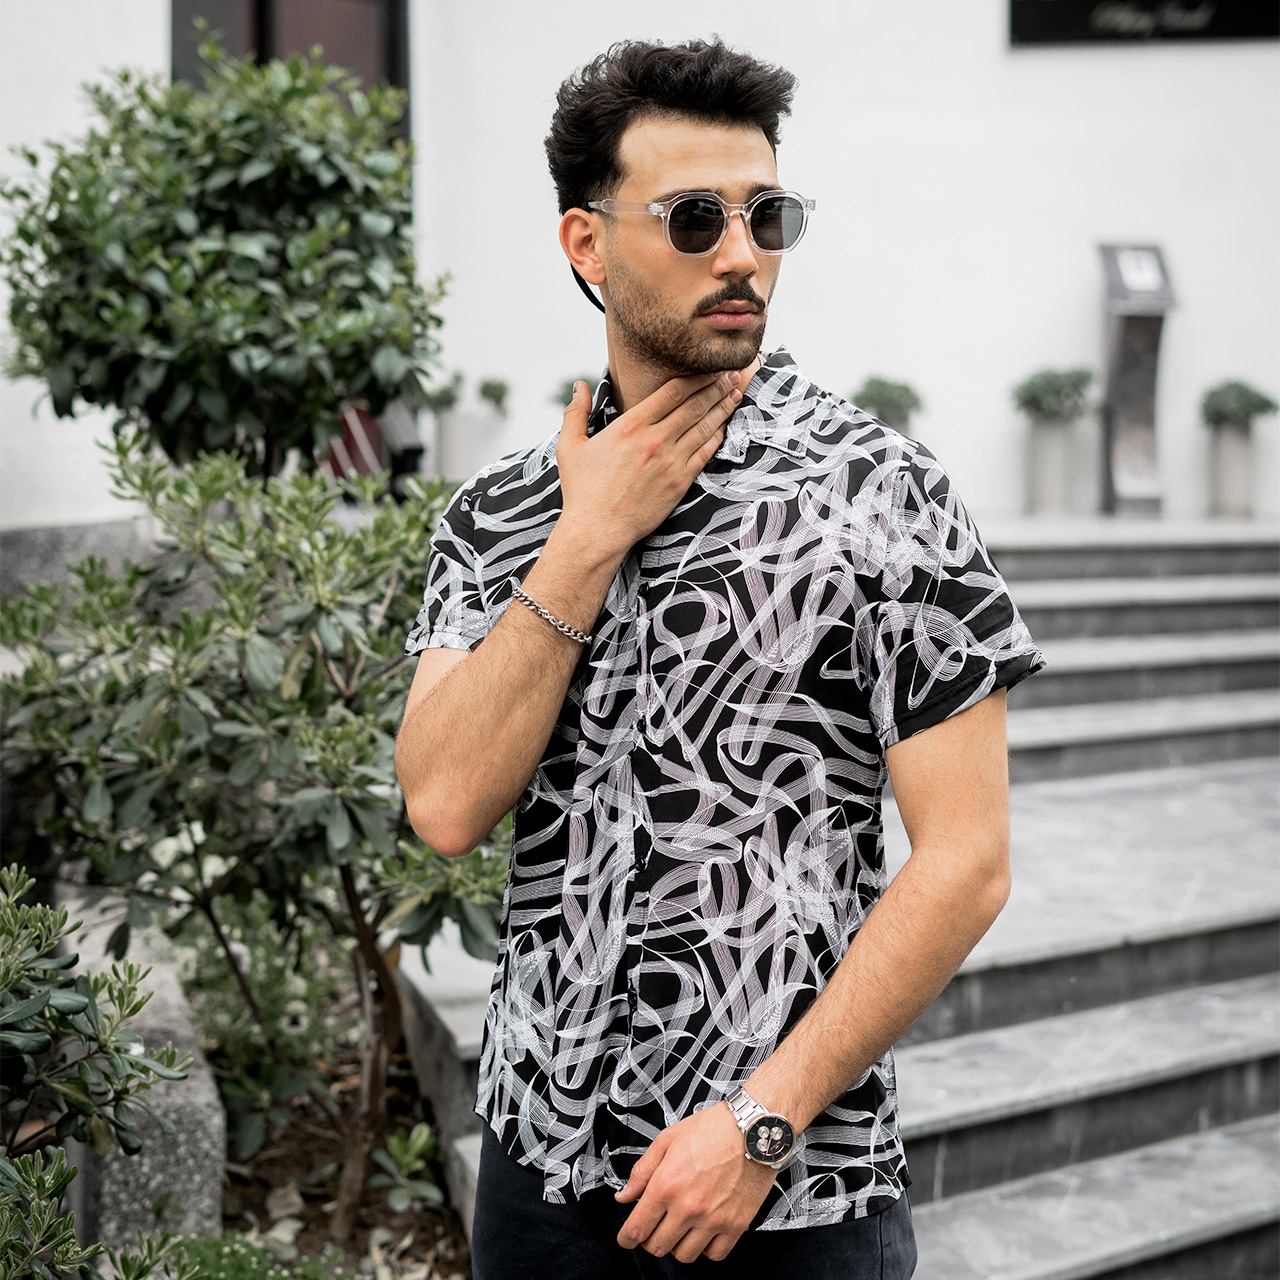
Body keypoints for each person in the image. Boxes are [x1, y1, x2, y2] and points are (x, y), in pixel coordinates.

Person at [395, 37, 1044, 1280]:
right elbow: (443, 802)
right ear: (586, 243)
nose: (740, 254)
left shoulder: (881, 493)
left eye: (767, 215)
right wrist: (582, 541)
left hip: (790, 1191)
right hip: (541, 1173)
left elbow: (965, 860)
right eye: (693, 217)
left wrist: (760, 1121)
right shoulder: (500, 512)